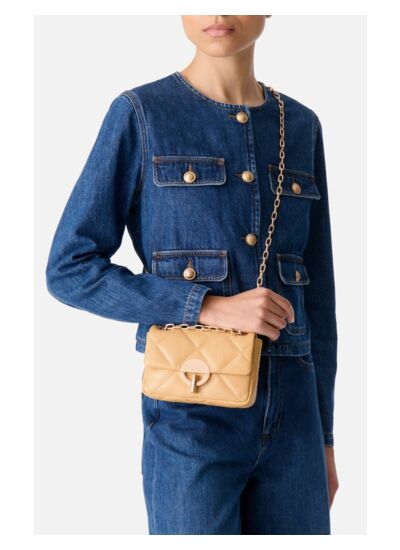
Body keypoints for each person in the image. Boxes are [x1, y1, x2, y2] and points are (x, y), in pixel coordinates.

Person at [45, 15, 339, 534]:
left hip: (296, 424)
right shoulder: (142, 114)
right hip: (190, 413)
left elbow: (320, 299)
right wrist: (204, 306)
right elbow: (70, 268)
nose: (218, 13)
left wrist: (326, 439)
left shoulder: (300, 125)